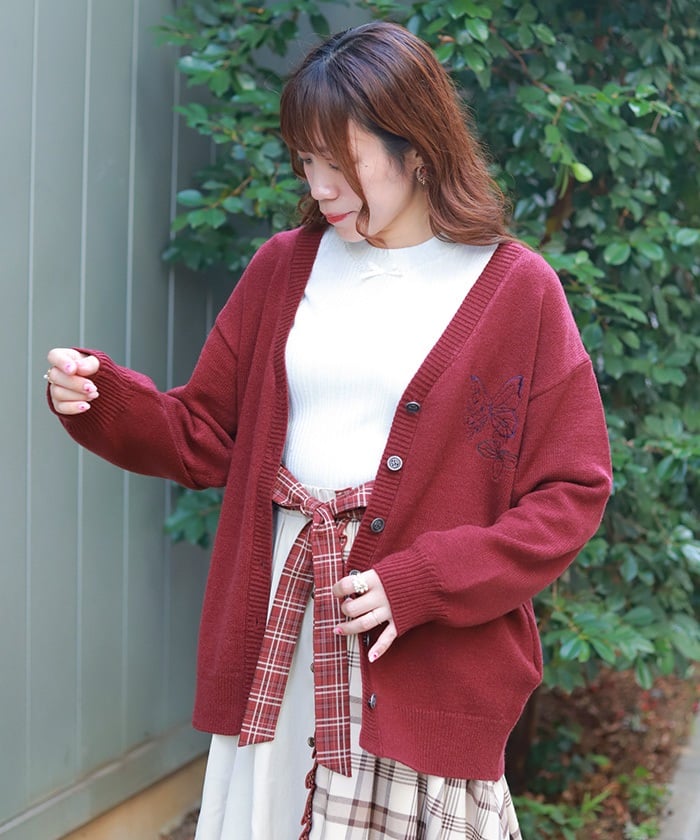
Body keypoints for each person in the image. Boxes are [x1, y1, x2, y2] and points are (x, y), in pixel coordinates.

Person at [45, 20, 612, 840]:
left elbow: (572, 490)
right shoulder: (285, 266)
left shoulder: (515, 290)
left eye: (341, 163)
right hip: (280, 621)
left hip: (414, 647)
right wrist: (102, 400)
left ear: (417, 147)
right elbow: (205, 434)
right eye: (306, 162)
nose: (320, 187)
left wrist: (424, 581)